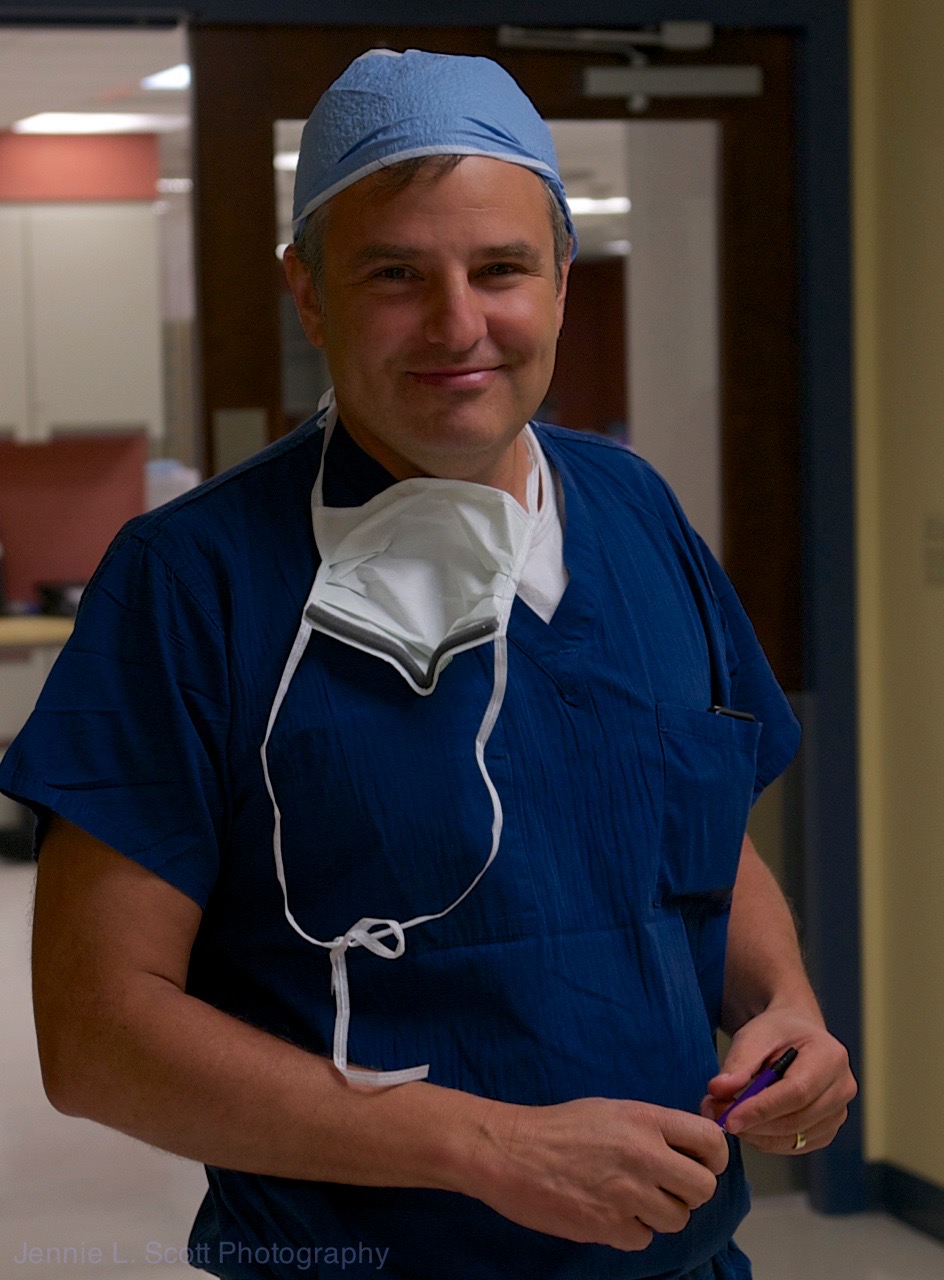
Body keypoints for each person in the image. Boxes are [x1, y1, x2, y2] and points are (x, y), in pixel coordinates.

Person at [0, 49, 855, 1280]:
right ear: (309, 294)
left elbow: (698, 830)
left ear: (559, 279)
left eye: (500, 269)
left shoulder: (633, 513)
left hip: (683, 1259)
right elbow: (98, 1038)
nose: (459, 325)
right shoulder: (191, 583)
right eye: (395, 274)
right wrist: (481, 1145)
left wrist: (784, 1006)